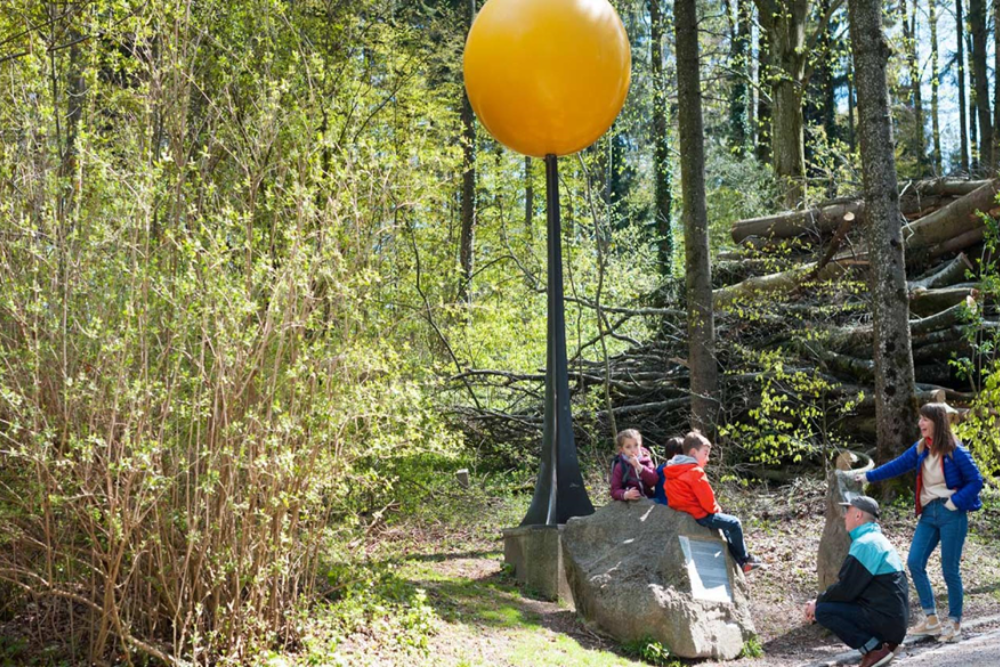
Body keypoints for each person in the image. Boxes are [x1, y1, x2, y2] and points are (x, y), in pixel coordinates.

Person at [855, 402, 983, 643]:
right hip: (928, 514)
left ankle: (954, 622)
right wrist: (868, 476)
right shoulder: (921, 448)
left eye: (925, 419)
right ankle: (931, 620)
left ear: (937, 422)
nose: (920, 424)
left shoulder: (955, 450)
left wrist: (954, 502)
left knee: (949, 570)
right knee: (914, 562)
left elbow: (976, 481)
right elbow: (897, 465)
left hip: (951, 513)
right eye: (920, 419)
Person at [804, 496, 909, 667]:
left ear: (858, 515)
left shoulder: (866, 544)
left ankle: (875, 649)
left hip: (887, 622)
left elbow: (846, 590)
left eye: (848, 512)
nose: (845, 517)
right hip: (893, 621)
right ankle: (884, 645)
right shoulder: (876, 540)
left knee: (823, 611)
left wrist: (818, 601)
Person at [662, 431, 762, 573]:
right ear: (693, 452)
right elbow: (708, 502)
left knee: (725, 527)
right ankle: (745, 559)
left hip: (685, 511)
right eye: (705, 453)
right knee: (734, 523)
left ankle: (741, 563)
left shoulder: (672, 469)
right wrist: (717, 509)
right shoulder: (695, 471)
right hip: (700, 514)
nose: (708, 458)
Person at [609, 428, 658, 501]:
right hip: (630, 502)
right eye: (628, 447)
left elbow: (654, 481)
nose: (633, 450)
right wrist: (626, 494)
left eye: (636, 445)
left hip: (649, 498)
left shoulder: (646, 459)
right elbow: (614, 491)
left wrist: (639, 467)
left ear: (640, 445)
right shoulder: (620, 466)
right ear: (622, 449)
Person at [652, 436, 685, 505]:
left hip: (658, 501)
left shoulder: (660, 468)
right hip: (670, 504)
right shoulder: (680, 470)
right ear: (676, 455)